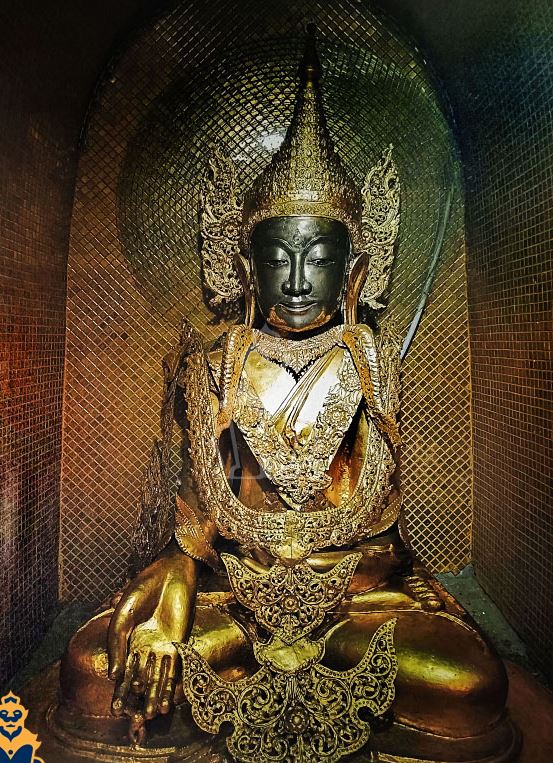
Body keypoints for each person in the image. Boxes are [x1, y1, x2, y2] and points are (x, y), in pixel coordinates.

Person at [52, 27, 519, 763]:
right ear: (247, 266)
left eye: (318, 257)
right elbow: (189, 535)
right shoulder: (211, 366)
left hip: (357, 604)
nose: (298, 281)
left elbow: (385, 540)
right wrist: (167, 609)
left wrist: (354, 578)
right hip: (232, 599)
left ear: (352, 269)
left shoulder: (373, 367)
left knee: (469, 682)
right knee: (92, 670)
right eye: (278, 257)